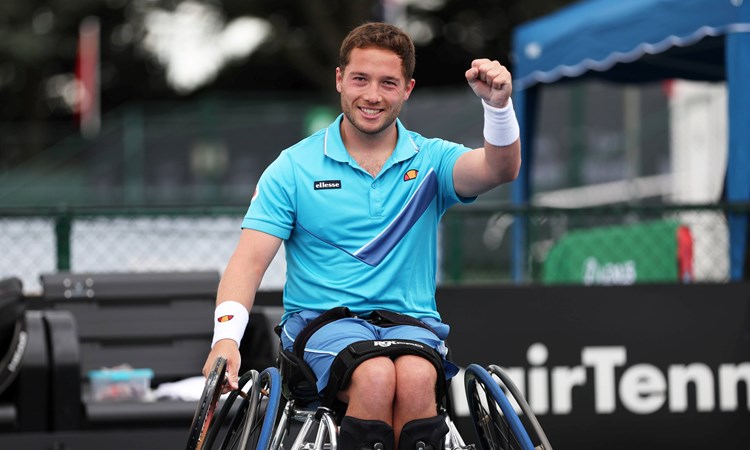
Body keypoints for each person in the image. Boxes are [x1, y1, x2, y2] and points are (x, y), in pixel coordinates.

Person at [203, 21, 521, 450]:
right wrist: (226, 339)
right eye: (360, 79)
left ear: (407, 89)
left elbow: (500, 169)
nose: (372, 95)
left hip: (410, 326)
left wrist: (498, 108)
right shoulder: (293, 168)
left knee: (414, 376)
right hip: (321, 327)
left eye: (388, 83)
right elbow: (248, 261)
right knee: (374, 375)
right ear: (339, 80)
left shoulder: (431, 160)